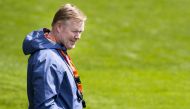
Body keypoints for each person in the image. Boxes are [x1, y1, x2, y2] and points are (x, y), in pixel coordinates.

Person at [22, 3, 87, 109]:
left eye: (80, 32)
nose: (78, 37)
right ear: (59, 27)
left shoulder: (57, 51)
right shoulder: (47, 59)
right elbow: (45, 106)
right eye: (75, 31)